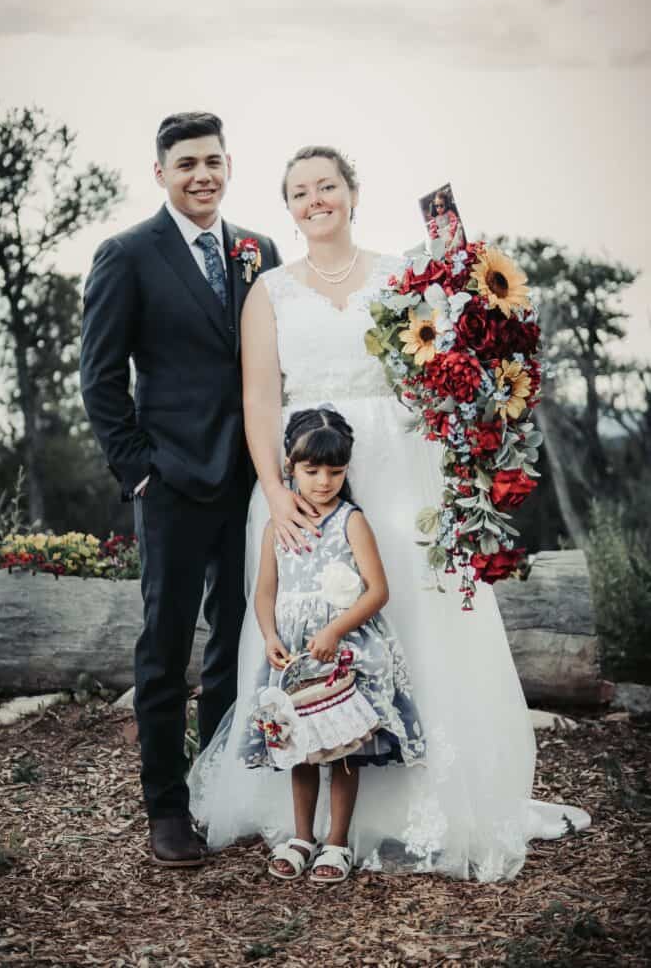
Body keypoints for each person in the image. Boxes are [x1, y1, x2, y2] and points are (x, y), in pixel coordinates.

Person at [189, 145, 590, 881]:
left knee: (417, 612)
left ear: (352, 192)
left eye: (328, 186)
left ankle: (432, 797)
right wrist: (276, 492)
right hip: (304, 477)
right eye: (301, 191)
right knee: (309, 622)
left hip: (402, 469)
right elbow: (259, 401)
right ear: (289, 207)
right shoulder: (269, 292)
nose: (317, 200)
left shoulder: (401, 276)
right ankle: (307, 812)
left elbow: (447, 362)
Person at [80, 112, 281, 868]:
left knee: (239, 642)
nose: (202, 175)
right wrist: (138, 469)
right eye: (186, 163)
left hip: (250, 480)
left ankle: (221, 790)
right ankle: (165, 809)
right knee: (165, 650)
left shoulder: (260, 250)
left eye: (213, 162)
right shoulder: (128, 255)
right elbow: (99, 381)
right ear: (160, 172)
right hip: (169, 480)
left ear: (230, 165)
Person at [244, 407, 426, 883]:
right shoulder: (276, 526)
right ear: (290, 466)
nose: (324, 481)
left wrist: (334, 630)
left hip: (342, 652)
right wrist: (270, 636)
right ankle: (302, 836)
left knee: (343, 746)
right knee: (299, 745)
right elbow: (265, 591)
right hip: (294, 656)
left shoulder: (351, 521)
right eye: (312, 470)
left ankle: (338, 841)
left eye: (335, 471)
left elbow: (378, 590)